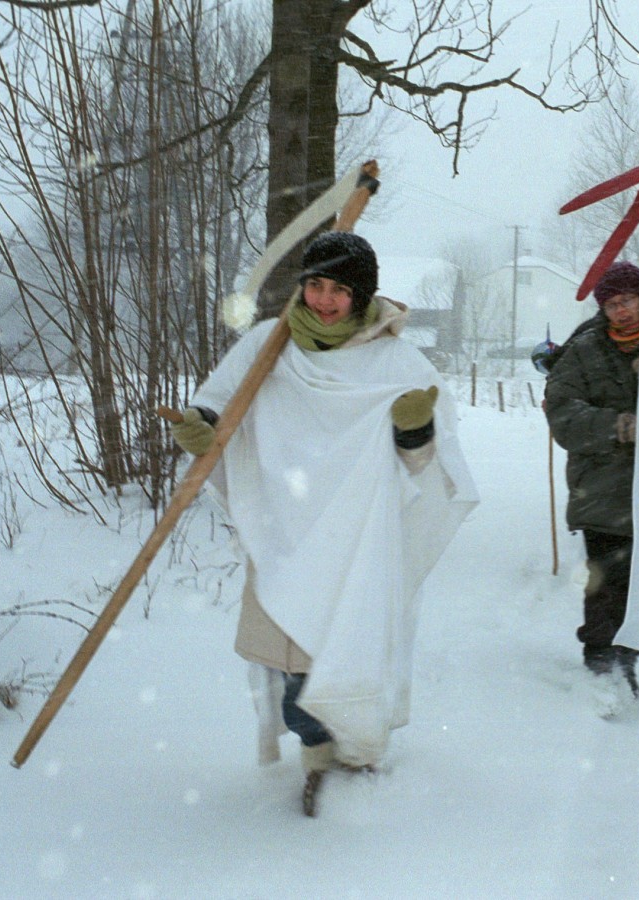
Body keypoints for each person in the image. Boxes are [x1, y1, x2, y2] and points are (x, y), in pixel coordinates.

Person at [171, 231, 477, 812]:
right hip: (284, 528)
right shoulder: (269, 345)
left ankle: (357, 749)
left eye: (340, 289)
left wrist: (415, 430)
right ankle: (316, 754)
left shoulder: (396, 362)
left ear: (362, 295)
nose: (325, 300)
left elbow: (429, 469)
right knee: (296, 666)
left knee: (350, 648)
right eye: (315, 284)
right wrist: (202, 429)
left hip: (358, 535)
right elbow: (221, 403)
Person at [543, 260, 639, 694]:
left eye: (628, 301)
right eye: (611, 304)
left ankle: (628, 659)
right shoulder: (584, 350)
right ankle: (601, 659)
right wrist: (617, 426)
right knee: (605, 580)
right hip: (601, 486)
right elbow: (563, 414)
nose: (620, 310)